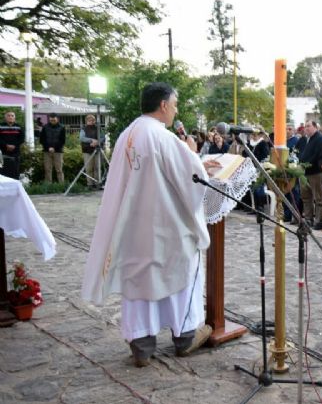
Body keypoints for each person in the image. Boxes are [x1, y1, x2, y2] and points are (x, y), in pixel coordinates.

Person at [82, 82, 218, 367]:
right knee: (183, 270)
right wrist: (193, 154)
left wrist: (191, 160)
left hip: (133, 228)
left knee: (138, 283)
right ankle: (185, 337)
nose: (176, 111)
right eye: (175, 105)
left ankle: (141, 345)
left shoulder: (128, 134)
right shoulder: (162, 137)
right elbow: (191, 180)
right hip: (166, 226)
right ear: (164, 105)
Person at [299, 121, 322, 229]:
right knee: (306, 197)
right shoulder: (307, 139)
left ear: (315, 127)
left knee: (319, 198)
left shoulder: (320, 139)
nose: (306, 128)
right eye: (305, 126)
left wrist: (305, 165)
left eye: (308, 126)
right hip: (304, 173)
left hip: (315, 172)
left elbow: (317, 155)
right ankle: (308, 219)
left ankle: (319, 221)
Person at [80, 114, 105, 189]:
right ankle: (90, 184)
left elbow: (103, 137)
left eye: (93, 120)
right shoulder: (83, 129)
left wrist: (97, 142)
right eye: (89, 120)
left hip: (97, 150)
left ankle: (98, 183)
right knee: (89, 168)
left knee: (97, 168)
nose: (91, 121)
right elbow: (82, 138)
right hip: (87, 150)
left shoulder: (98, 128)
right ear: (86, 121)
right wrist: (91, 140)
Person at [40, 113, 66, 183]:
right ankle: (48, 186)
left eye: (54, 120)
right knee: (47, 169)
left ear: (57, 119)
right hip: (47, 151)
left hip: (58, 151)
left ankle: (61, 185)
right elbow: (42, 139)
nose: (52, 121)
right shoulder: (45, 127)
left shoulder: (62, 127)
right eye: (51, 120)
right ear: (49, 119)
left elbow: (62, 140)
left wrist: (54, 148)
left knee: (59, 170)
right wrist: (48, 147)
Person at [0, 110, 24, 179]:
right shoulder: (1, 126)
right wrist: (6, 145)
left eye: (12, 116)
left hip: (15, 153)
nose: (10, 117)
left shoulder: (19, 127)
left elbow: (21, 139)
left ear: (14, 117)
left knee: (15, 171)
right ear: (5, 117)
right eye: (8, 116)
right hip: (3, 153)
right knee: (3, 172)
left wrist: (14, 146)